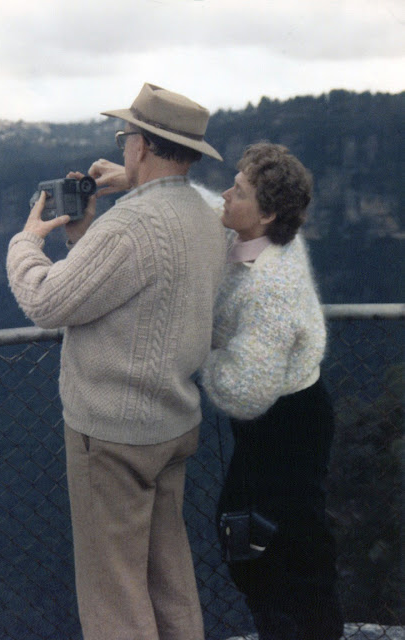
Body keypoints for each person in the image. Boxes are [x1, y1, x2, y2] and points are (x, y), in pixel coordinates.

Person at [6, 82, 227, 640]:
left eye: (126, 135)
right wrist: (86, 238)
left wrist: (26, 242)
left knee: (115, 597)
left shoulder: (130, 225)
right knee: (168, 578)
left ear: (143, 145)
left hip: (113, 436)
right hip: (172, 423)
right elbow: (127, 286)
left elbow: (47, 302)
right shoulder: (206, 215)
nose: (124, 144)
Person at [200, 143, 344, 640]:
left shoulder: (270, 287)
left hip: (285, 422)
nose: (226, 194)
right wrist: (136, 181)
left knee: (272, 546)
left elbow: (245, 394)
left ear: (266, 214)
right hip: (289, 412)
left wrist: (198, 349)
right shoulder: (261, 236)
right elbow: (206, 205)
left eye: (238, 190)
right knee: (274, 536)